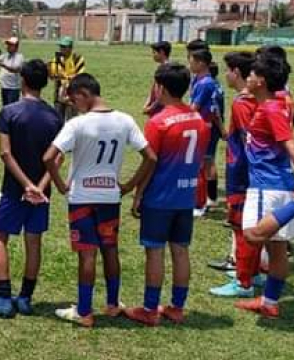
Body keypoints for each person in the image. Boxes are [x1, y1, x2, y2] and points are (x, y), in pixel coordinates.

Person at [43, 73, 155, 327]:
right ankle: (113, 304)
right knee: (110, 248)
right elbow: (150, 157)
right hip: (110, 197)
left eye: (74, 100)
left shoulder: (77, 124)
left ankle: (84, 311)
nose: (74, 106)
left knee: (87, 254)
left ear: (84, 94)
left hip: (82, 198)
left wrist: (61, 184)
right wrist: (128, 186)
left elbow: (49, 157)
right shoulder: (125, 120)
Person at [234, 54, 294, 319]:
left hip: (267, 186)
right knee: (276, 248)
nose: (246, 78)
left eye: (251, 75)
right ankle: (270, 302)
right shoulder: (275, 103)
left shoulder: (271, 109)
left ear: (260, 81)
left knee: (252, 235)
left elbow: (291, 144)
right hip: (280, 182)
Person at [0, 59, 62, 318]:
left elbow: (5, 153)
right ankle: (25, 297)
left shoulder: (9, 112)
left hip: (14, 188)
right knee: (33, 240)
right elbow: (57, 157)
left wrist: (25, 185)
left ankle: (3, 296)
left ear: (22, 80)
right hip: (42, 192)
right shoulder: (55, 116)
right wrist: (40, 187)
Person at [123, 64, 209, 326]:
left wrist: (136, 193)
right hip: (186, 197)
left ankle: (150, 310)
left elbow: (150, 163)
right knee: (181, 250)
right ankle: (177, 307)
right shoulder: (199, 120)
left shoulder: (158, 122)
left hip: (160, 197)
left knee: (155, 251)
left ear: (160, 87)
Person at [209, 52, 259, 293]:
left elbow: (249, 140)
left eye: (228, 70)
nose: (226, 74)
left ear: (236, 72)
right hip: (251, 172)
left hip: (241, 172)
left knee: (241, 226)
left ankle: (242, 280)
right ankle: (255, 272)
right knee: (252, 225)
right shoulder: (258, 99)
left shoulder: (241, 103)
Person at [188, 47, 224, 216]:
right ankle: (209, 198)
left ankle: (204, 202)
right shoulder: (201, 80)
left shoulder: (206, 83)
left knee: (203, 163)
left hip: (205, 128)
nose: (189, 63)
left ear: (201, 63)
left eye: (191, 60)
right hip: (204, 127)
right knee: (205, 162)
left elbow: (197, 107)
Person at [47, 36, 86, 122]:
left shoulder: (77, 58)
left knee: (72, 121)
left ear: (70, 48)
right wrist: (50, 70)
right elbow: (52, 76)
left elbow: (80, 77)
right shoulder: (56, 59)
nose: (62, 49)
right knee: (57, 120)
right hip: (59, 94)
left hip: (73, 94)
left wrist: (65, 78)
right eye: (61, 46)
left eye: (64, 47)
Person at [0, 36, 25, 107]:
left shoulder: (19, 57)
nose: (8, 46)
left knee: (11, 108)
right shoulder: (5, 55)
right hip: (4, 87)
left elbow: (14, 70)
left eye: (11, 45)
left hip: (13, 89)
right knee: (5, 107)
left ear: (16, 47)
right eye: (8, 44)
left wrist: (1, 64)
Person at [142, 42, 172, 117]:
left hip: (161, 109)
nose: (153, 55)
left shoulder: (167, 70)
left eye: (154, 52)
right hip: (155, 107)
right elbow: (153, 87)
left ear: (161, 52)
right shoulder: (160, 67)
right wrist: (147, 102)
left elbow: (162, 93)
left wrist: (151, 108)